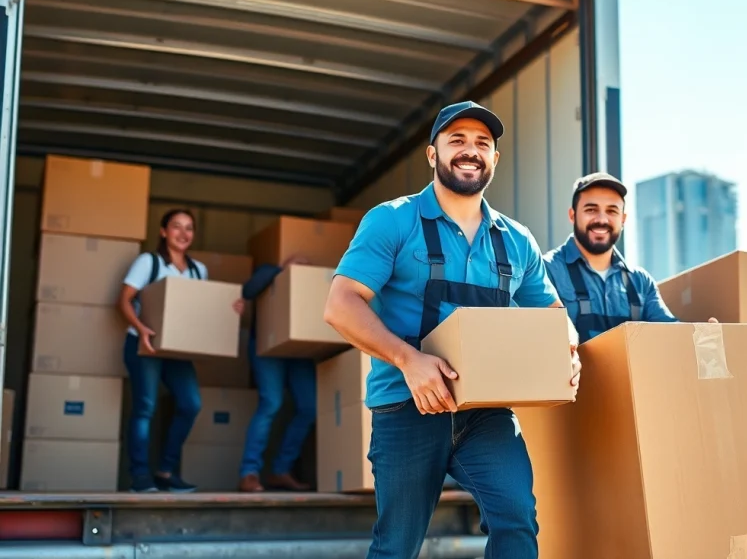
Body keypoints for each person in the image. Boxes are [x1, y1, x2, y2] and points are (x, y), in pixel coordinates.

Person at [323, 100, 581, 559]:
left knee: (517, 518)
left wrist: (568, 352)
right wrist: (409, 361)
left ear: (494, 160)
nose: (470, 150)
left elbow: (555, 317)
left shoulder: (516, 240)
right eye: (457, 140)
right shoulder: (392, 220)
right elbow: (341, 305)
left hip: (485, 410)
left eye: (482, 143)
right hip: (406, 405)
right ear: (432, 153)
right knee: (396, 546)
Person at [117, 208, 245, 493]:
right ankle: (140, 478)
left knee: (190, 404)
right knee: (145, 408)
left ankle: (165, 471)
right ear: (163, 231)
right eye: (176, 227)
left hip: (176, 349)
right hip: (144, 344)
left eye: (189, 228)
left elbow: (200, 308)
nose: (183, 233)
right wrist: (141, 327)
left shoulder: (199, 270)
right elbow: (124, 300)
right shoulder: (148, 262)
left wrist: (231, 307)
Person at [542, 172, 679, 341]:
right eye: (591, 209)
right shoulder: (545, 271)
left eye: (612, 211)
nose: (601, 219)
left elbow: (671, 338)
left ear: (623, 219)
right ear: (572, 215)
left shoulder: (641, 282)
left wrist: (702, 338)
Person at [236, 255, 317, 493]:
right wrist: (283, 269)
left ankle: (281, 470)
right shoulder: (270, 271)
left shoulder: (312, 284)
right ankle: (248, 473)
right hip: (267, 345)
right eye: (300, 263)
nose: (304, 266)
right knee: (271, 403)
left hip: (299, 350)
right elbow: (248, 291)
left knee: (310, 407)